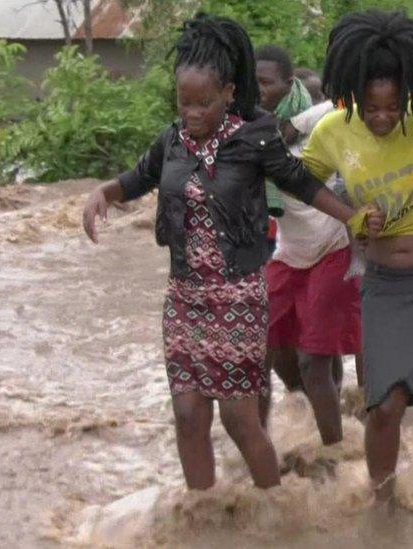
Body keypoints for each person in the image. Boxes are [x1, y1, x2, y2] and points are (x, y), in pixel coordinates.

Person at [81, 14, 364, 490]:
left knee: (238, 418)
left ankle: (272, 508)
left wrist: (351, 216)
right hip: (185, 297)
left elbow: (298, 181)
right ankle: (203, 517)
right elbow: (139, 177)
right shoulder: (172, 140)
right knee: (188, 415)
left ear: (229, 93)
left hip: (237, 296)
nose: (191, 112)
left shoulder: (253, 137)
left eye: (203, 103)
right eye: (183, 101)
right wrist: (104, 193)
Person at [300, 10, 413, 501]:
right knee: (383, 405)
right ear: (351, 94)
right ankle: (383, 510)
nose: (382, 118)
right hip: (383, 284)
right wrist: (349, 214)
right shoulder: (332, 130)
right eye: (370, 107)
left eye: (393, 106)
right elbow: (299, 178)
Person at [254, 45, 363, 445]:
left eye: (266, 83)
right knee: (256, 351)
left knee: (314, 360)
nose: (257, 90)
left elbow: (345, 109)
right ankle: (257, 449)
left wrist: (287, 128)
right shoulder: (248, 130)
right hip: (288, 252)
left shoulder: (318, 117)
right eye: (252, 83)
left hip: (334, 246)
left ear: (289, 84)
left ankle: (335, 453)